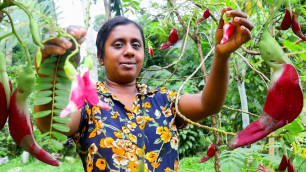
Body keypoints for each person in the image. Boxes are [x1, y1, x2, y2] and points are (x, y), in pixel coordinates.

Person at [35, 6, 254, 172]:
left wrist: (222, 55)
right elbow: (52, 125)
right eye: (118, 44)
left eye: (136, 45)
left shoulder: (163, 100)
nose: (129, 51)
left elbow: (209, 104)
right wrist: (53, 72)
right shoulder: (87, 101)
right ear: (100, 58)